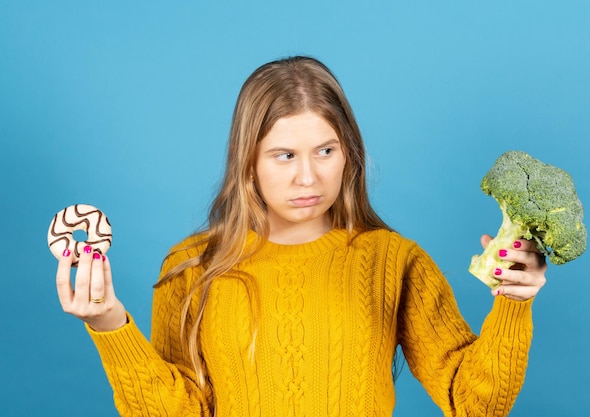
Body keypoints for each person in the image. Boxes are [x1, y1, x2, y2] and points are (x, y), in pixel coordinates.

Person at [56, 56, 547, 417]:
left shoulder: (392, 261)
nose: (309, 178)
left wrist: (513, 302)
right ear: (247, 160)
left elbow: (473, 404)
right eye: (284, 155)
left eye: (326, 151)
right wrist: (108, 323)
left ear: (349, 152)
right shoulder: (192, 265)